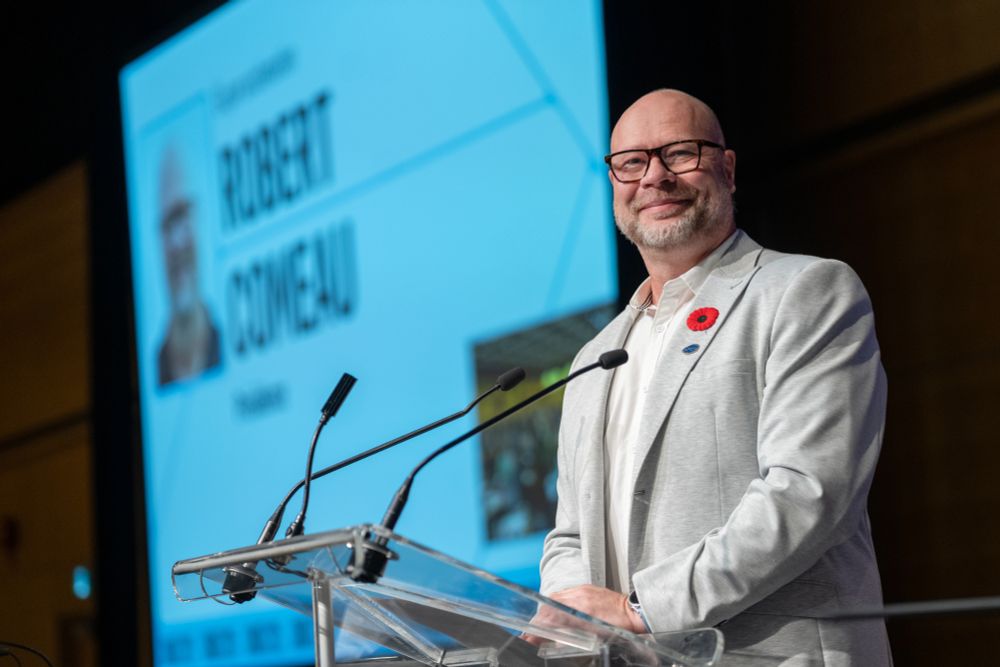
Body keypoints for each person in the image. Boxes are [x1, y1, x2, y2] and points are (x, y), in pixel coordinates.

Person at [538, 89, 892, 665]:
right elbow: (571, 536)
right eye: (631, 162)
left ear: (726, 169)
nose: (654, 177)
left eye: (680, 153)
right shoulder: (594, 357)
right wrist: (571, 613)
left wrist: (639, 609)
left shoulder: (804, 292)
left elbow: (808, 493)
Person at [156, 145, 221, 387]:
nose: (176, 243)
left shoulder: (228, 345)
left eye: (182, 217)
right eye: (166, 226)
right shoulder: (153, 367)